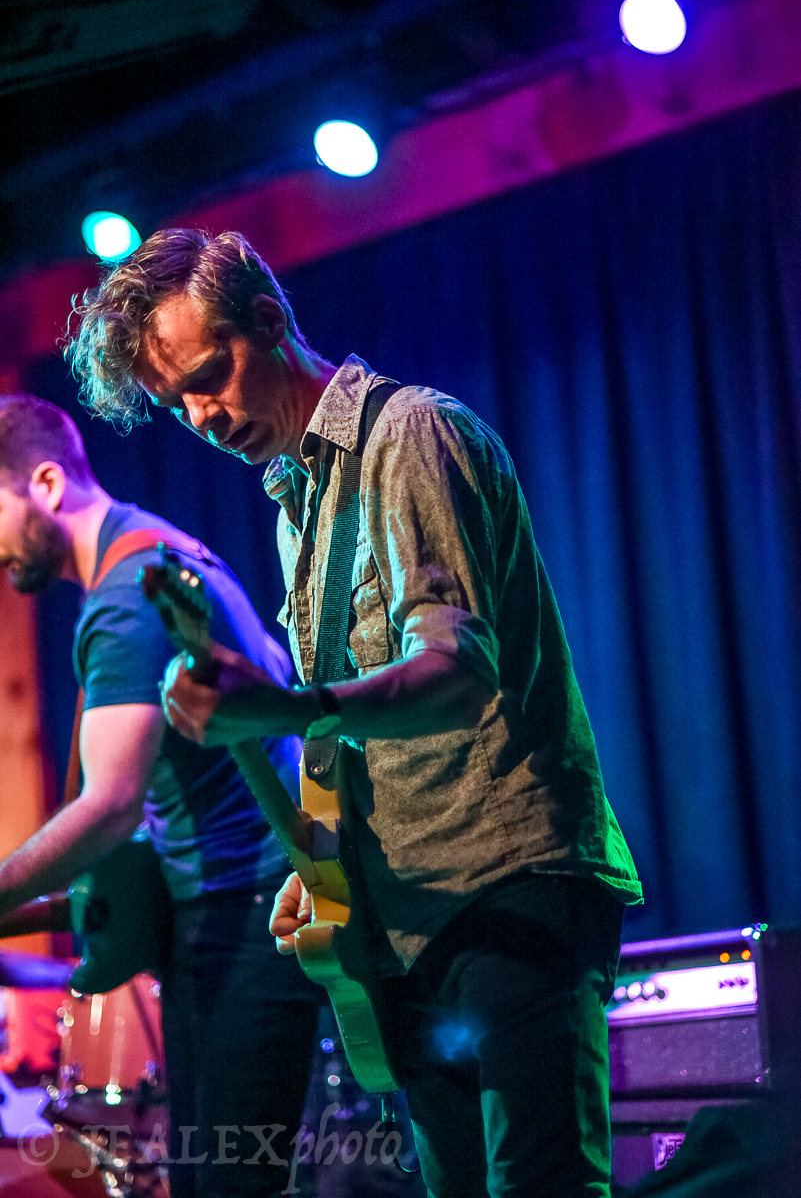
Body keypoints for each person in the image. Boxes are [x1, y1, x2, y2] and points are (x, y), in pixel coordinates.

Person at [66, 227, 643, 1198]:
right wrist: (328, 864)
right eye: (178, 404)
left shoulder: (410, 434)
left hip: (510, 883)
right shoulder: (297, 507)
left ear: (268, 320)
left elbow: (457, 673)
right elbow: (353, 737)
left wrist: (287, 705)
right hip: (405, 914)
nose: (202, 417)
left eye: (208, 377)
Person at [0, 392, 322, 1198]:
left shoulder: (125, 598)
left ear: (46, 484)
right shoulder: (160, 552)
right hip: (245, 908)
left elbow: (110, 807)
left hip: (243, 917)